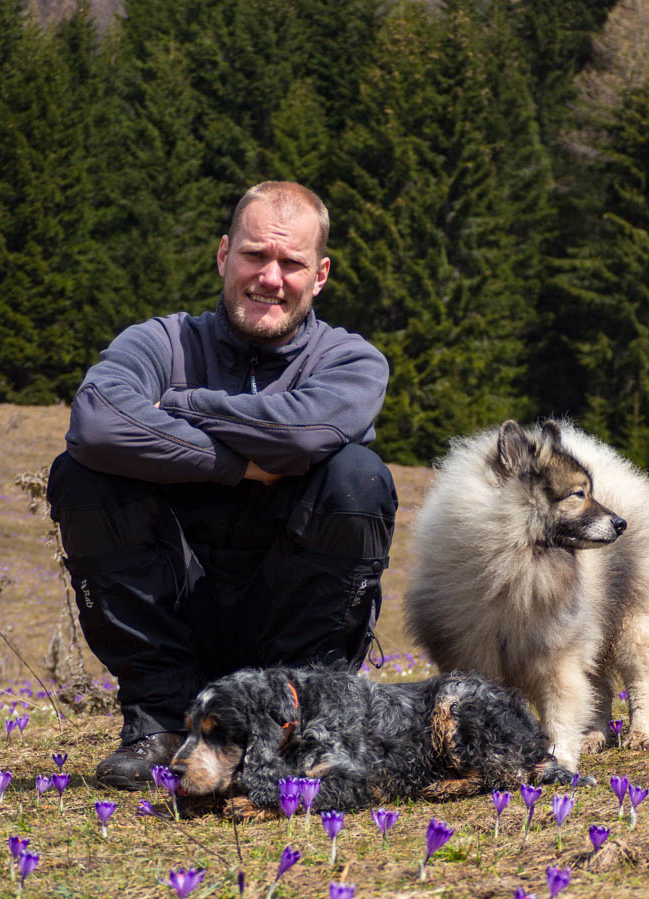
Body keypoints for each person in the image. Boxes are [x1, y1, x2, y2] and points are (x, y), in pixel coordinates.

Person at [48, 181, 397, 790]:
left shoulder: (351, 361)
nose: (270, 277)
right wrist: (237, 465)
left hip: (288, 621)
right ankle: (159, 724)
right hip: (174, 607)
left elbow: (304, 435)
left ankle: (299, 723)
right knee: (80, 473)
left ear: (319, 276)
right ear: (222, 256)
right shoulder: (158, 341)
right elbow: (99, 419)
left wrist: (177, 405)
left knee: (357, 478)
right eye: (254, 255)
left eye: (291, 263)